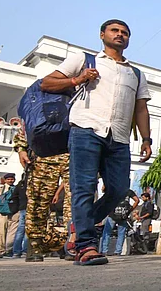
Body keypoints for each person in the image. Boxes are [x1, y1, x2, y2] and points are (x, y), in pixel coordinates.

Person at [41, 19, 153, 266]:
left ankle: (81, 225)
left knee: (119, 190)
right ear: (102, 35)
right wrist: (77, 79)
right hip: (85, 130)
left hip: (120, 137)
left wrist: (146, 139)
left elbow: (141, 108)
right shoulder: (84, 60)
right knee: (83, 188)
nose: (120, 35)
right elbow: (46, 83)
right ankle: (85, 246)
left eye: (125, 32)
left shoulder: (135, 73)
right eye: (115, 31)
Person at [13, 132, 71, 262]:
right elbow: (29, 120)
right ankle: (35, 244)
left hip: (74, 153)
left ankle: (73, 243)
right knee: (38, 202)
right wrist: (22, 148)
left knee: (77, 200)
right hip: (44, 154)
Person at [101, 188, 138, 256]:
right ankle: (118, 251)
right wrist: (130, 210)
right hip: (123, 215)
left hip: (112, 214)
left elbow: (103, 190)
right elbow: (137, 200)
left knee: (107, 232)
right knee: (121, 234)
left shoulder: (114, 189)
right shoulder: (128, 191)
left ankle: (104, 250)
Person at [0, 172, 18, 257]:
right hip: (2, 212)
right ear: (5, 180)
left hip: (12, 211)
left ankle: (8, 249)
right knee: (1, 231)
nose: (10, 181)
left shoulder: (15, 188)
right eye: (8, 179)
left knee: (11, 232)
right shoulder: (1, 187)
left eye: (12, 179)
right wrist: (4, 198)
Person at [10, 172, 28, 258]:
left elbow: (14, 196)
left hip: (22, 208)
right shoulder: (32, 183)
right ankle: (25, 250)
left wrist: (15, 208)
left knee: (20, 230)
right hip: (30, 208)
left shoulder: (20, 185)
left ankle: (16, 251)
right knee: (28, 230)